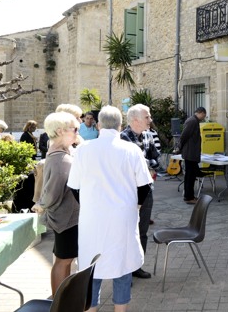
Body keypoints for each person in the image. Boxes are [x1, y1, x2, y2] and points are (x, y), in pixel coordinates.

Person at [67, 106, 152, 312]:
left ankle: (91, 309)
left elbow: (74, 187)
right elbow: (144, 186)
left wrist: (89, 204)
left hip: (92, 219)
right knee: (121, 265)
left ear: (98, 125)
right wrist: (136, 206)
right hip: (122, 216)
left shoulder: (83, 150)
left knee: (91, 267)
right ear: (120, 125)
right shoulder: (131, 150)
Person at [32, 112, 80, 298]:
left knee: (65, 259)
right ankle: (59, 301)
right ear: (60, 131)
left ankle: (63, 299)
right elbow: (52, 192)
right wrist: (42, 205)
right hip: (65, 218)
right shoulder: (61, 158)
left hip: (66, 217)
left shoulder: (61, 153)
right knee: (63, 260)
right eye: (74, 129)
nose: (77, 132)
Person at [120, 104, 159, 279]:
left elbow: (156, 159)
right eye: (147, 117)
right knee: (127, 231)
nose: (150, 120)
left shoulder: (149, 136)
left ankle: (137, 267)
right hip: (127, 192)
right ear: (135, 120)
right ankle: (124, 271)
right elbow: (130, 166)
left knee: (142, 231)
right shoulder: (122, 138)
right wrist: (146, 165)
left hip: (146, 190)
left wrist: (146, 165)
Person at [175, 107, 207, 204]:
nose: (204, 118)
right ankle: (189, 197)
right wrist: (179, 148)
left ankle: (189, 196)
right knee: (190, 176)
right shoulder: (192, 121)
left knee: (191, 176)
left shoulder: (194, 121)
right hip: (190, 153)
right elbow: (184, 135)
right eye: (204, 115)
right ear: (200, 113)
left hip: (191, 153)